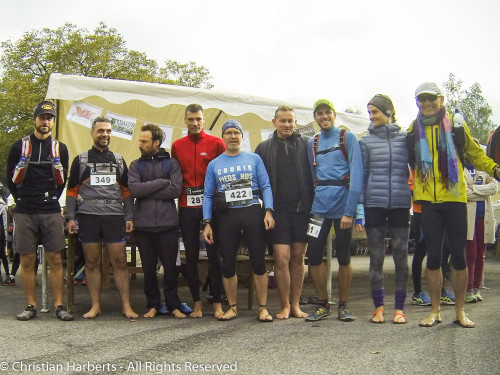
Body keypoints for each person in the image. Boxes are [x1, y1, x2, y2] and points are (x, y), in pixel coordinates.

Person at [407, 82, 500, 328]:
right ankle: (435, 311)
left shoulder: (457, 126)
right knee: (433, 258)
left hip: (456, 199)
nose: (426, 104)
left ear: (441, 99)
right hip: (428, 200)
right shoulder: (414, 128)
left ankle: (460, 311)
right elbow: (403, 158)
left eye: (430, 98)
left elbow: (475, 153)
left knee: (459, 257)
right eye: (421, 100)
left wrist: (495, 169)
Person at [6, 101, 73, 321]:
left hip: (50, 209)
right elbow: (10, 179)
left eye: (50, 118)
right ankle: (31, 306)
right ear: (35, 120)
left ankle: (59, 306)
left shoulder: (60, 148)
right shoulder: (19, 146)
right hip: (25, 209)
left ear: (53, 122)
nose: (46, 122)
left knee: (55, 259)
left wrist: (50, 199)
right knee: (27, 259)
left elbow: (62, 181)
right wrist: (23, 200)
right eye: (42, 117)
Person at [202, 119, 275, 322]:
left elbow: (266, 186)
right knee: (227, 264)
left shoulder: (254, 159)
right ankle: (232, 307)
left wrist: (268, 211)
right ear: (223, 136)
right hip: (227, 217)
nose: (233, 136)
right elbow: (207, 195)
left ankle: (263, 307)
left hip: (252, 211)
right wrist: (207, 222)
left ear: (242, 136)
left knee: (258, 261)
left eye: (236, 132)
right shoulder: (215, 164)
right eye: (229, 133)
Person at [66, 116, 138, 319]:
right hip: (88, 216)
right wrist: (70, 218)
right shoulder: (80, 160)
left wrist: (129, 216)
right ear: (92, 133)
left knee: (120, 261)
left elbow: (126, 191)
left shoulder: (117, 160)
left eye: (108, 131)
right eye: (100, 131)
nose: (105, 135)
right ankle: (95, 305)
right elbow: (72, 191)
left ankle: (126, 306)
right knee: (92, 261)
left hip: (114, 216)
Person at [305, 99, 363, 322]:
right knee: (314, 256)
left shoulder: (347, 137)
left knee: (344, 257)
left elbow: (357, 175)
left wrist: (350, 212)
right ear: (315, 117)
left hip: (342, 209)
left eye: (327, 112)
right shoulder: (312, 142)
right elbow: (313, 177)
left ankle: (344, 305)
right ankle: (323, 304)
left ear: (334, 114)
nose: (323, 117)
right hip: (319, 209)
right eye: (319, 113)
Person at [255, 105, 314, 319]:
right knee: (281, 258)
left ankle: (296, 304)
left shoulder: (307, 145)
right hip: (277, 211)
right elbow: (258, 182)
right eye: (283, 121)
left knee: (298, 257)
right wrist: (266, 210)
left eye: (291, 121)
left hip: (301, 210)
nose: (287, 124)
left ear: (295, 123)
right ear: (274, 123)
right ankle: (284, 305)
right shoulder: (263, 148)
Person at [357, 95, 410, 324]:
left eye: (375, 112)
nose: (371, 116)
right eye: (369, 112)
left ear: (388, 112)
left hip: (400, 203)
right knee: (376, 258)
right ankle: (378, 308)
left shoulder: (406, 139)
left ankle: (400, 309)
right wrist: (360, 208)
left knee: (401, 258)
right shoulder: (365, 142)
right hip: (374, 205)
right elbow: (361, 177)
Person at [171, 104, 226, 318]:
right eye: (191, 119)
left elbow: (222, 173)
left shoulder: (216, 143)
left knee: (214, 255)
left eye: (198, 119)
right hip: (186, 207)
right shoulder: (177, 145)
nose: (195, 123)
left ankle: (217, 302)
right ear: (185, 120)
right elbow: (176, 175)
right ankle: (197, 302)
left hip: (211, 207)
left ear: (203, 121)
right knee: (191, 256)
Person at [128, 124, 185, 318]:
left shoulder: (172, 164)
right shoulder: (135, 165)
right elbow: (135, 190)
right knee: (148, 268)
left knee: (171, 267)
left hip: (168, 224)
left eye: (144, 141)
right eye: (140, 141)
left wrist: (147, 190)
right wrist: (162, 182)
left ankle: (172, 304)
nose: (140, 144)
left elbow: (176, 190)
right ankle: (152, 304)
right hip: (143, 225)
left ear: (156, 143)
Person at [464, 143, 498, 303]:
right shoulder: (462, 170)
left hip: (484, 216)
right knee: (471, 253)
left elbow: (493, 188)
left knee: (481, 254)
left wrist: (474, 189)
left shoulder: (485, 169)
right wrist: (480, 191)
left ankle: (477, 288)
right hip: (469, 217)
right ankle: (468, 288)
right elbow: (463, 193)